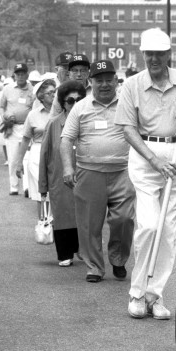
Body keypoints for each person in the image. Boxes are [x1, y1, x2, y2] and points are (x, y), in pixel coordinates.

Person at [115, 28, 176, 319]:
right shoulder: (132, 85)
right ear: (143, 54)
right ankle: (137, 292)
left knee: (169, 230)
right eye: (149, 53)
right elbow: (127, 128)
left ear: (168, 54)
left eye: (159, 53)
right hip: (145, 156)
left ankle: (154, 295)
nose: (154, 59)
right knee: (150, 225)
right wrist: (153, 160)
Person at [60, 60, 135, 283]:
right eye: (99, 80)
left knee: (123, 219)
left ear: (116, 81)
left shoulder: (128, 104)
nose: (104, 85)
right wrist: (67, 167)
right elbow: (66, 139)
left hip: (123, 171)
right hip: (88, 172)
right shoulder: (80, 107)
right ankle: (94, 267)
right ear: (90, 82)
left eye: (108, 80)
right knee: (89, 224)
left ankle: (118, 258)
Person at [39, 81, 86, 267]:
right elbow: (44, 155)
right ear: (63, 102)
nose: (75, 104)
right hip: (59, 180)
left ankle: (83, 249)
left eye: (79, 100)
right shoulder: (53, 124)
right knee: (63, 215)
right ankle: (65, 252)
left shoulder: (89, 121)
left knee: (85, 214)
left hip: (86, 177)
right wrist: (42, 187)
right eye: (70, 101)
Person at [13, 79, 56, 216]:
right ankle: (44, 224)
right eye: (50, 93)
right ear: (41, 96)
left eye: (55, 92)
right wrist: (19, 163)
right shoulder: (33, 115)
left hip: (57, 152)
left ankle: (56, 225)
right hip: (37, 153)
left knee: (56, 190)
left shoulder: (62, 112)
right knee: (42, 190)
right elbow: (25, 139)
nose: (54, 95)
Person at [0, 63, 34, 195]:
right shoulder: (7, 89)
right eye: (18, 74)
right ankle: (13, 186)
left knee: (27, 157)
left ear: (27, 75)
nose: (20, 76)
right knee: (12, 158)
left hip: (27, 126)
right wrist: (3, 117)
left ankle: (27, 186)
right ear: (14, 75)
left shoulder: (33, 89)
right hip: (12, 127)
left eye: (22, 73)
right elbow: (1, 106)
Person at [50, 54, 91, 121]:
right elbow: (53, 119)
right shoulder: (61, 91)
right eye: (75, 71)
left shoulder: (95, 90)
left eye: (83, 70)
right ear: (69, 73)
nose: (79, 74)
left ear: (88, 73)